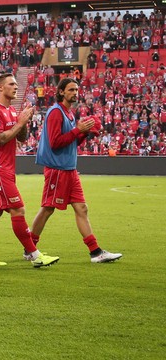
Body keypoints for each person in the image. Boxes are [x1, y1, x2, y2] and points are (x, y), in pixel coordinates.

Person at [31, 78, 122, 263]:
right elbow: (55, 143)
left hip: (69, 169)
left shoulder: (69, 114)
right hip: (57, 168)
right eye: (71, 89)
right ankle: (29, 248)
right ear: (61, 92)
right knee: (47, 209)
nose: (75, 92)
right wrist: (77, 131)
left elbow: (71, 141)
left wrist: (84, 133)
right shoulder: (56, 112)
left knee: (82, 208)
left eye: (76, 89)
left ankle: (95, 252)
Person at [0, 73, 59, 268]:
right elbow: (0, 139)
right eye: (11, 84)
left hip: (5, 170)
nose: (15, 87)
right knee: (18, 209)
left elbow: (21, 138)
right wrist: (19, 122)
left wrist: (24, 120)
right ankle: (34, 254)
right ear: (0, 88)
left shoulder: (11, 110)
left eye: (15, 84)